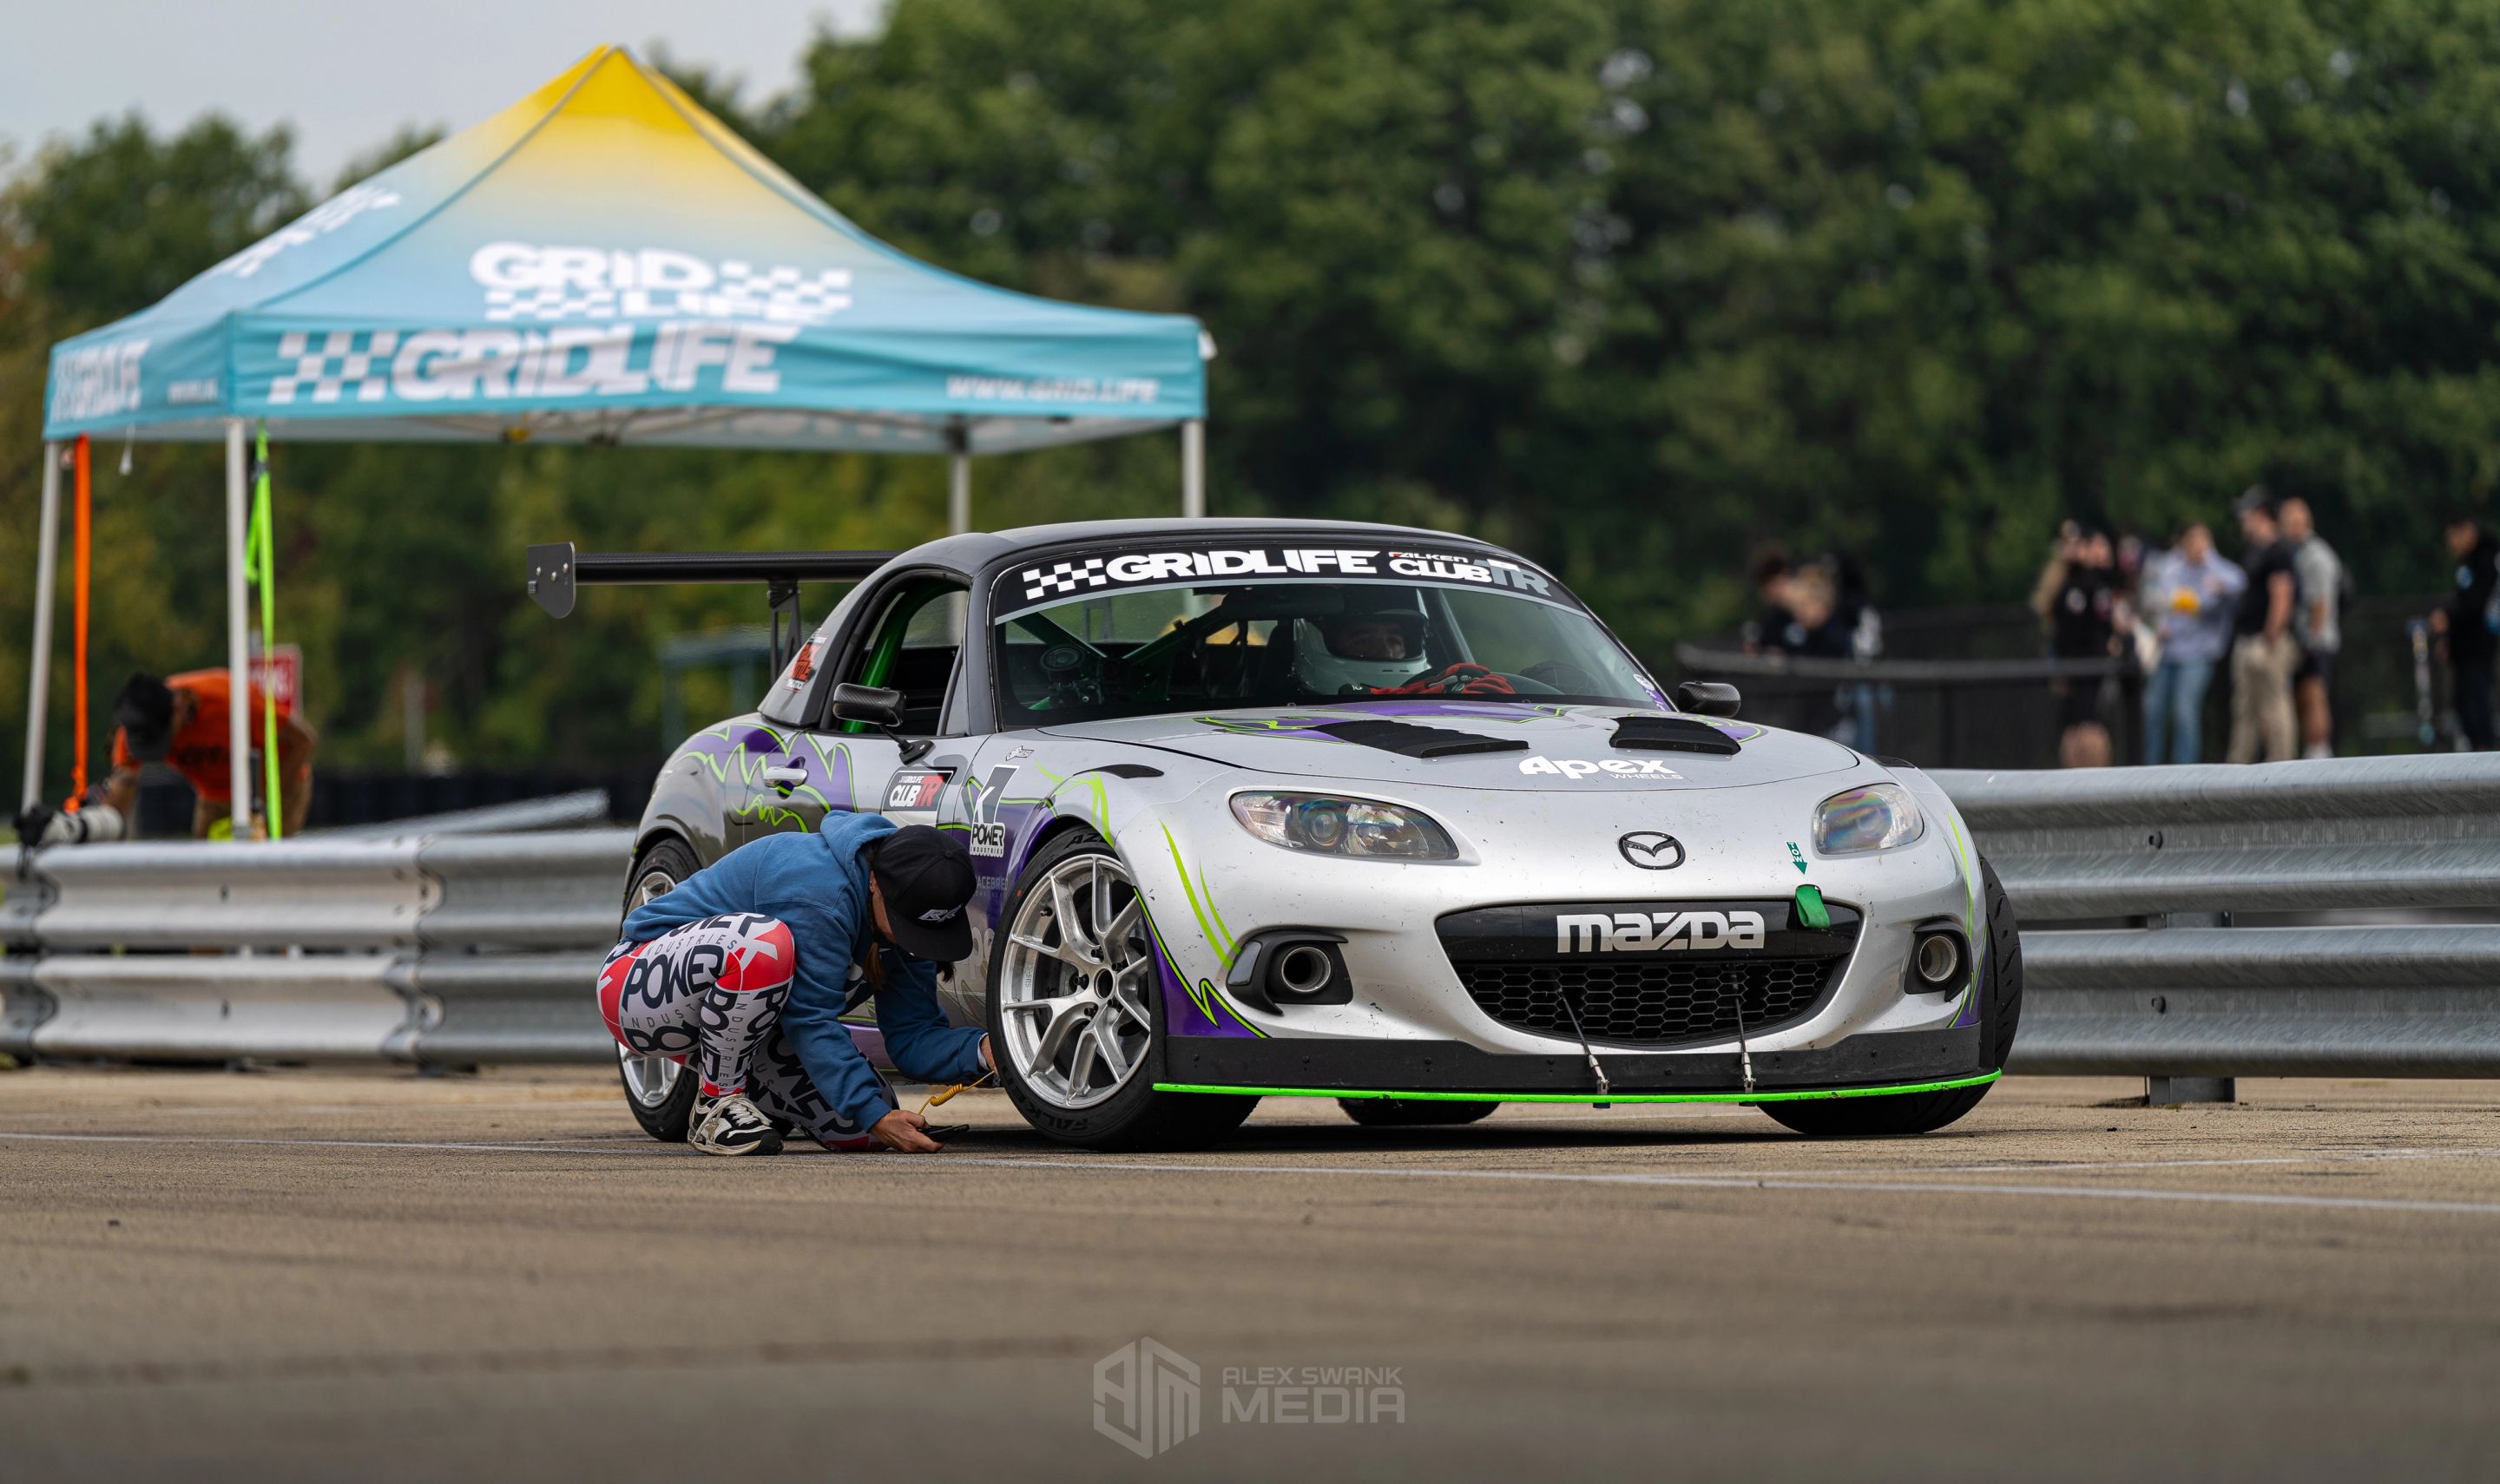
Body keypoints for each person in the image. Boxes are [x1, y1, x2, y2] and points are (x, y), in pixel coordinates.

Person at [600, 815, 990, 1156]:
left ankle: (756, 1098)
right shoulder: (818, 890)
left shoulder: (906, 912)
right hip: (635, 987)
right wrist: (870, 1111)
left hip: (750, 1023)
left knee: (863, 1130)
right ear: (875, 882)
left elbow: (913, 1036)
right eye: (909, 924)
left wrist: (990, 1051)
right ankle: (716, 1105)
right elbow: (811, 1020)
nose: (915, 938)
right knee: (764, 946)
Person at [13, 668, 316, 846]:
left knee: (269, 869)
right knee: (209, 880)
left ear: (179, 708)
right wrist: (86, 827)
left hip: (280, 784)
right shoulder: (133, 733)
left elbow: (303, 740)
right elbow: (119, 801)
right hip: (213, 794)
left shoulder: (227, 698)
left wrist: (265, 801)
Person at [2138, 522, 2244, 765]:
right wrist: (2159, 623)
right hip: (2167, 651)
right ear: (2183, 543)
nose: (2198, 545)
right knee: (2152, 708)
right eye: (2193, 540)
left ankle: (2185, 772)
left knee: (2185, 711)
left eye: (2203, 540)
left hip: (2198, 653)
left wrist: (2211, 562)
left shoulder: (2216, 568)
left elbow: (2239, 582)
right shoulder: (2171, 567)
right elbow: (2154, 596)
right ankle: (2149, 769)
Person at [2037, 528, 2128, 767]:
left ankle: (2095, 779)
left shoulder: (2097, 583)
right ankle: (2071, 780)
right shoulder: (2065, 582)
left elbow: (2104, 622)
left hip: (2092, 666)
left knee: (2091, 727)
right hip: (2069, 665)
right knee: (2072, 728)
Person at [2227, 489, 2302, 764]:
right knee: (2245, 707)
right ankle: (2239, 765)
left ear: (2260, 514)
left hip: (2267, 640)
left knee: (2274, 703)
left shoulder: (2278, 551)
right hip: (2248, 637)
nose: (2242, 520)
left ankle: (2281, 761)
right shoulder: (2253, 550)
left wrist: (2271, 635)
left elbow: (2282, 595)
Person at [2278, 497, 2345, 758]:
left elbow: (2320, 602)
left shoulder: (2316, 555)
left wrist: (2313, 640)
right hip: (2301, 638)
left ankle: (2319, 750)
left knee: (2314, 695)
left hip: (2316, 639)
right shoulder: (2294, 552)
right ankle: (2310, 748)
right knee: (2301, 697)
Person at [2431, 512, 2500, 750]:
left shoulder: (2488, 559)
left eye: (2453, 537)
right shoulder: (2468, 563)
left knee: (2477, 698)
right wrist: (2450, 639)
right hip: (2466, 643)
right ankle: (2478, 747)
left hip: (2480, 642)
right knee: (2462, 701)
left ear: (2467, 531)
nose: (2451, 544)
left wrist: (2449, 617)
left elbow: (2477, 603)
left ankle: (2485, 749)